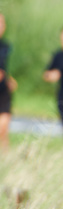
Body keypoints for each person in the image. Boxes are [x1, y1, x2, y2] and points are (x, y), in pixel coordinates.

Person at [0, 14, 18, 154]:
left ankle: (7, 158)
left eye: (2, 23)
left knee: (4, 128)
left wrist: (9, 78)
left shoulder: (6, 46)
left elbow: (4, 67)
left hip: (4, 89)